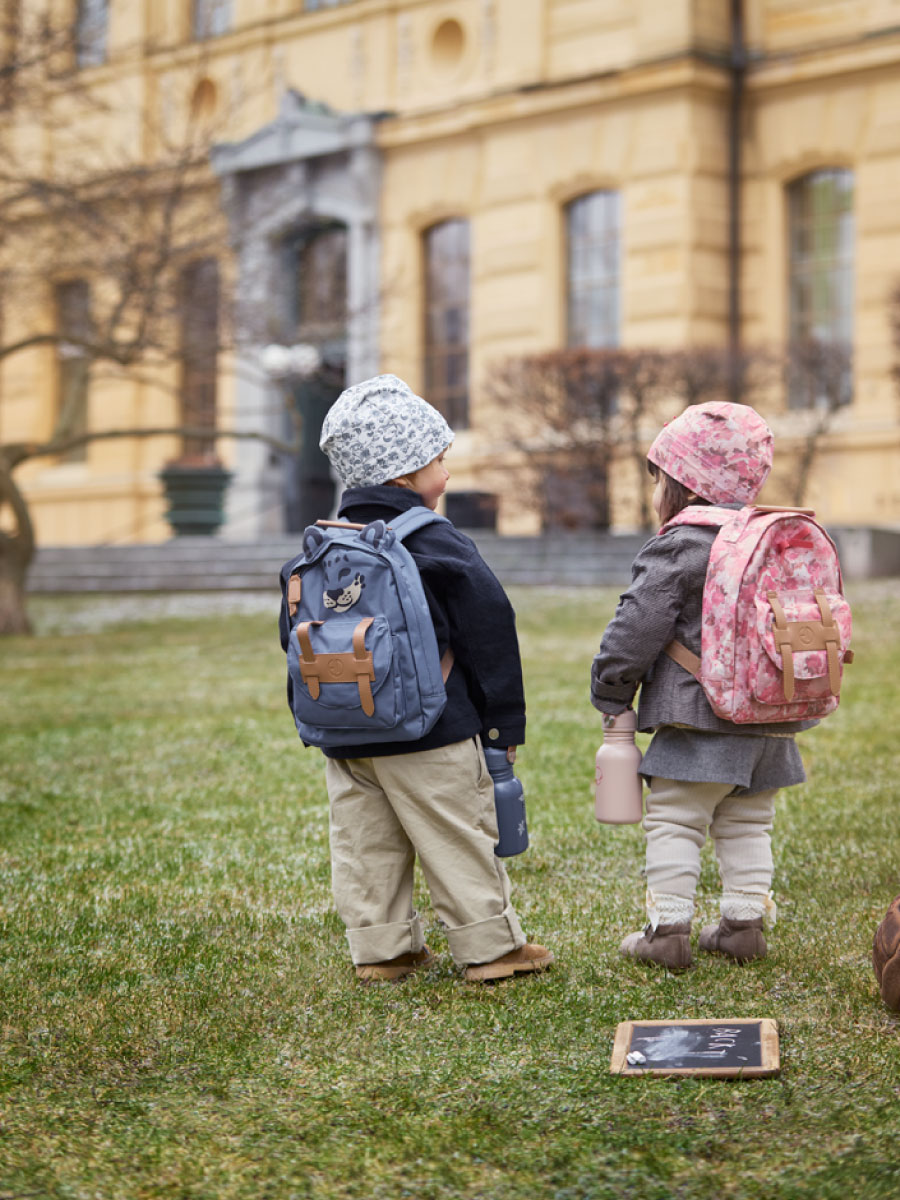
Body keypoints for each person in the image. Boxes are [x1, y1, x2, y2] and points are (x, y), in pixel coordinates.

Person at [285, 373, 553, 984]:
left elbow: (293, 638)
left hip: (346, 733)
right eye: (439, 458)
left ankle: (383, 951)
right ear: (404, 475)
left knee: (363, 846)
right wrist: (502, 719)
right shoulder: (434, 540)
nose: (448, 471)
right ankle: (491, 949)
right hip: (435, 730)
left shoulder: (323, 547)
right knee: (456, 834)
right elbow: (490, 627)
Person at [590, 401, 816, 970]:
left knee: (675, 820)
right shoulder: (771, 538)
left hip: (700, 717)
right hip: (771, 718)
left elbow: (638, 625)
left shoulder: (683, 543)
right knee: (747, 821)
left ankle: (667, 932)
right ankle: (743, 926)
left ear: (683, 487)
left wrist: (611, 686)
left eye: (659, 480)